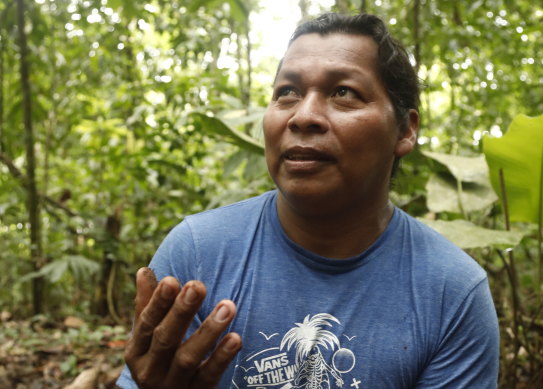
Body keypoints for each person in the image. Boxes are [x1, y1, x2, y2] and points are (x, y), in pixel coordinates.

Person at [116, 12, 499, 389]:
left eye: (343, 92)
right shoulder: (198, 252)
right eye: (288, 93)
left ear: (405, 129)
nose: (304, 116)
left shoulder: (452, 292)